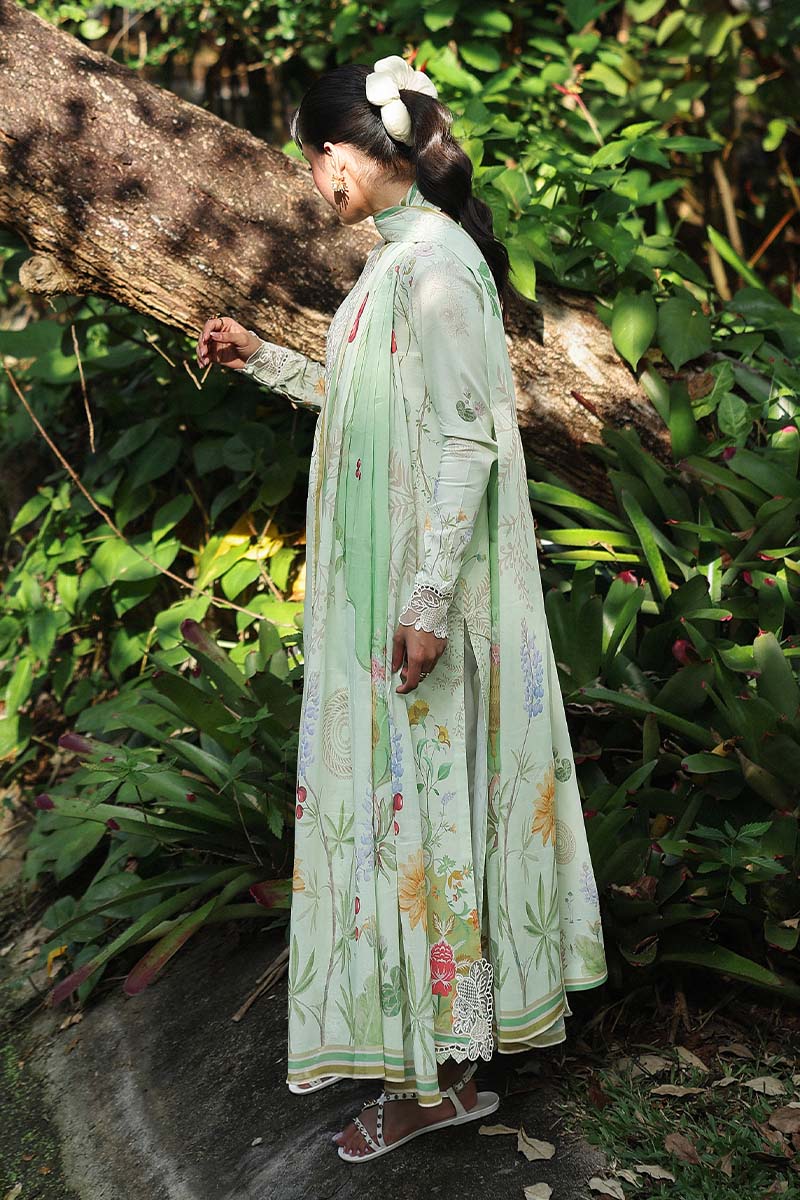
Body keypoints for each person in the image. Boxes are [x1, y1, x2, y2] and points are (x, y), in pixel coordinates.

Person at [196, 53, 608, 1164]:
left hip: (424, 603)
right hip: (383, 586)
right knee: (406, 817)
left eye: (310, 155)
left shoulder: (434, 269)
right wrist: (262, 360)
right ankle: (437, 1061)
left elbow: (469, 441)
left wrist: (427, 603)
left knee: (427, 818)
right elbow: (372, 404)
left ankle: (444, 1078)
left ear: (346, 153)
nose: (309, 176)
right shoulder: (397, 262)